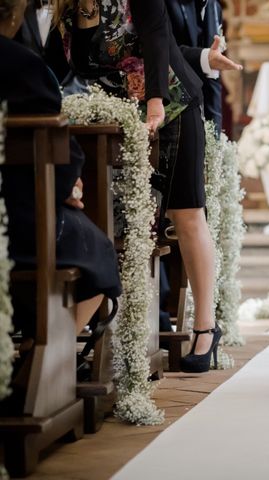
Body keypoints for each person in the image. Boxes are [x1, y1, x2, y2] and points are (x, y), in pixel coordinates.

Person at [53, 0, 241, 372]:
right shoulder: (65, 7)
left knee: (186, 212)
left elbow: (157, 34)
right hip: (113, 118)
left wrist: (155, 103)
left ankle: (205, 328)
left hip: (169, 106)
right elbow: (69, 65)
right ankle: (76, 342)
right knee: (117, 225)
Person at [0, 0, 121, 341]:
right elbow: (61, 150)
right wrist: (69, 187)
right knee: (98, 251)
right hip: (18, 223)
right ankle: (54, 359)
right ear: (12, 15)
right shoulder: (24, 67)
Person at [165, 0, 226, 134]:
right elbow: (164, 48)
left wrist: (215, 132)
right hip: (170, 102)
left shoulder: (214, 6)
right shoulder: (165, 4)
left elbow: (213, 74)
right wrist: (204, 57)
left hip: (200, 103)